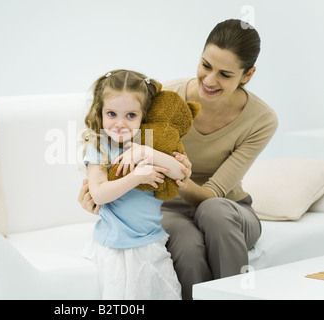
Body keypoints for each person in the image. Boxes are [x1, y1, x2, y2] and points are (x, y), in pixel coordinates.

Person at [78, 19, 278, 300]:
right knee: (187, 243)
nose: (209, 80)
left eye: (225, 74)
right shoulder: (165, 96)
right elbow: (120, 141)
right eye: (206, 65)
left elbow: (212, 194)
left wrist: (173, 171)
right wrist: (98, 186)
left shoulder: (261, 119)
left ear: (247, 75)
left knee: (214, 211)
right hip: (167, 207)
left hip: (230, 211)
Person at [81, 69, 184, 300]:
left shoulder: (147, 142)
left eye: (130, 115)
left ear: (142, 115)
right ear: (100, 112)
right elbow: (98, 194)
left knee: (166, 293)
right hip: (116, 245)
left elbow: (179, 171)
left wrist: (145, 152)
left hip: (151, 239)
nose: (120, 124)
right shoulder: (99, 146)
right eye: (111, 114)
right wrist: (138, 176)